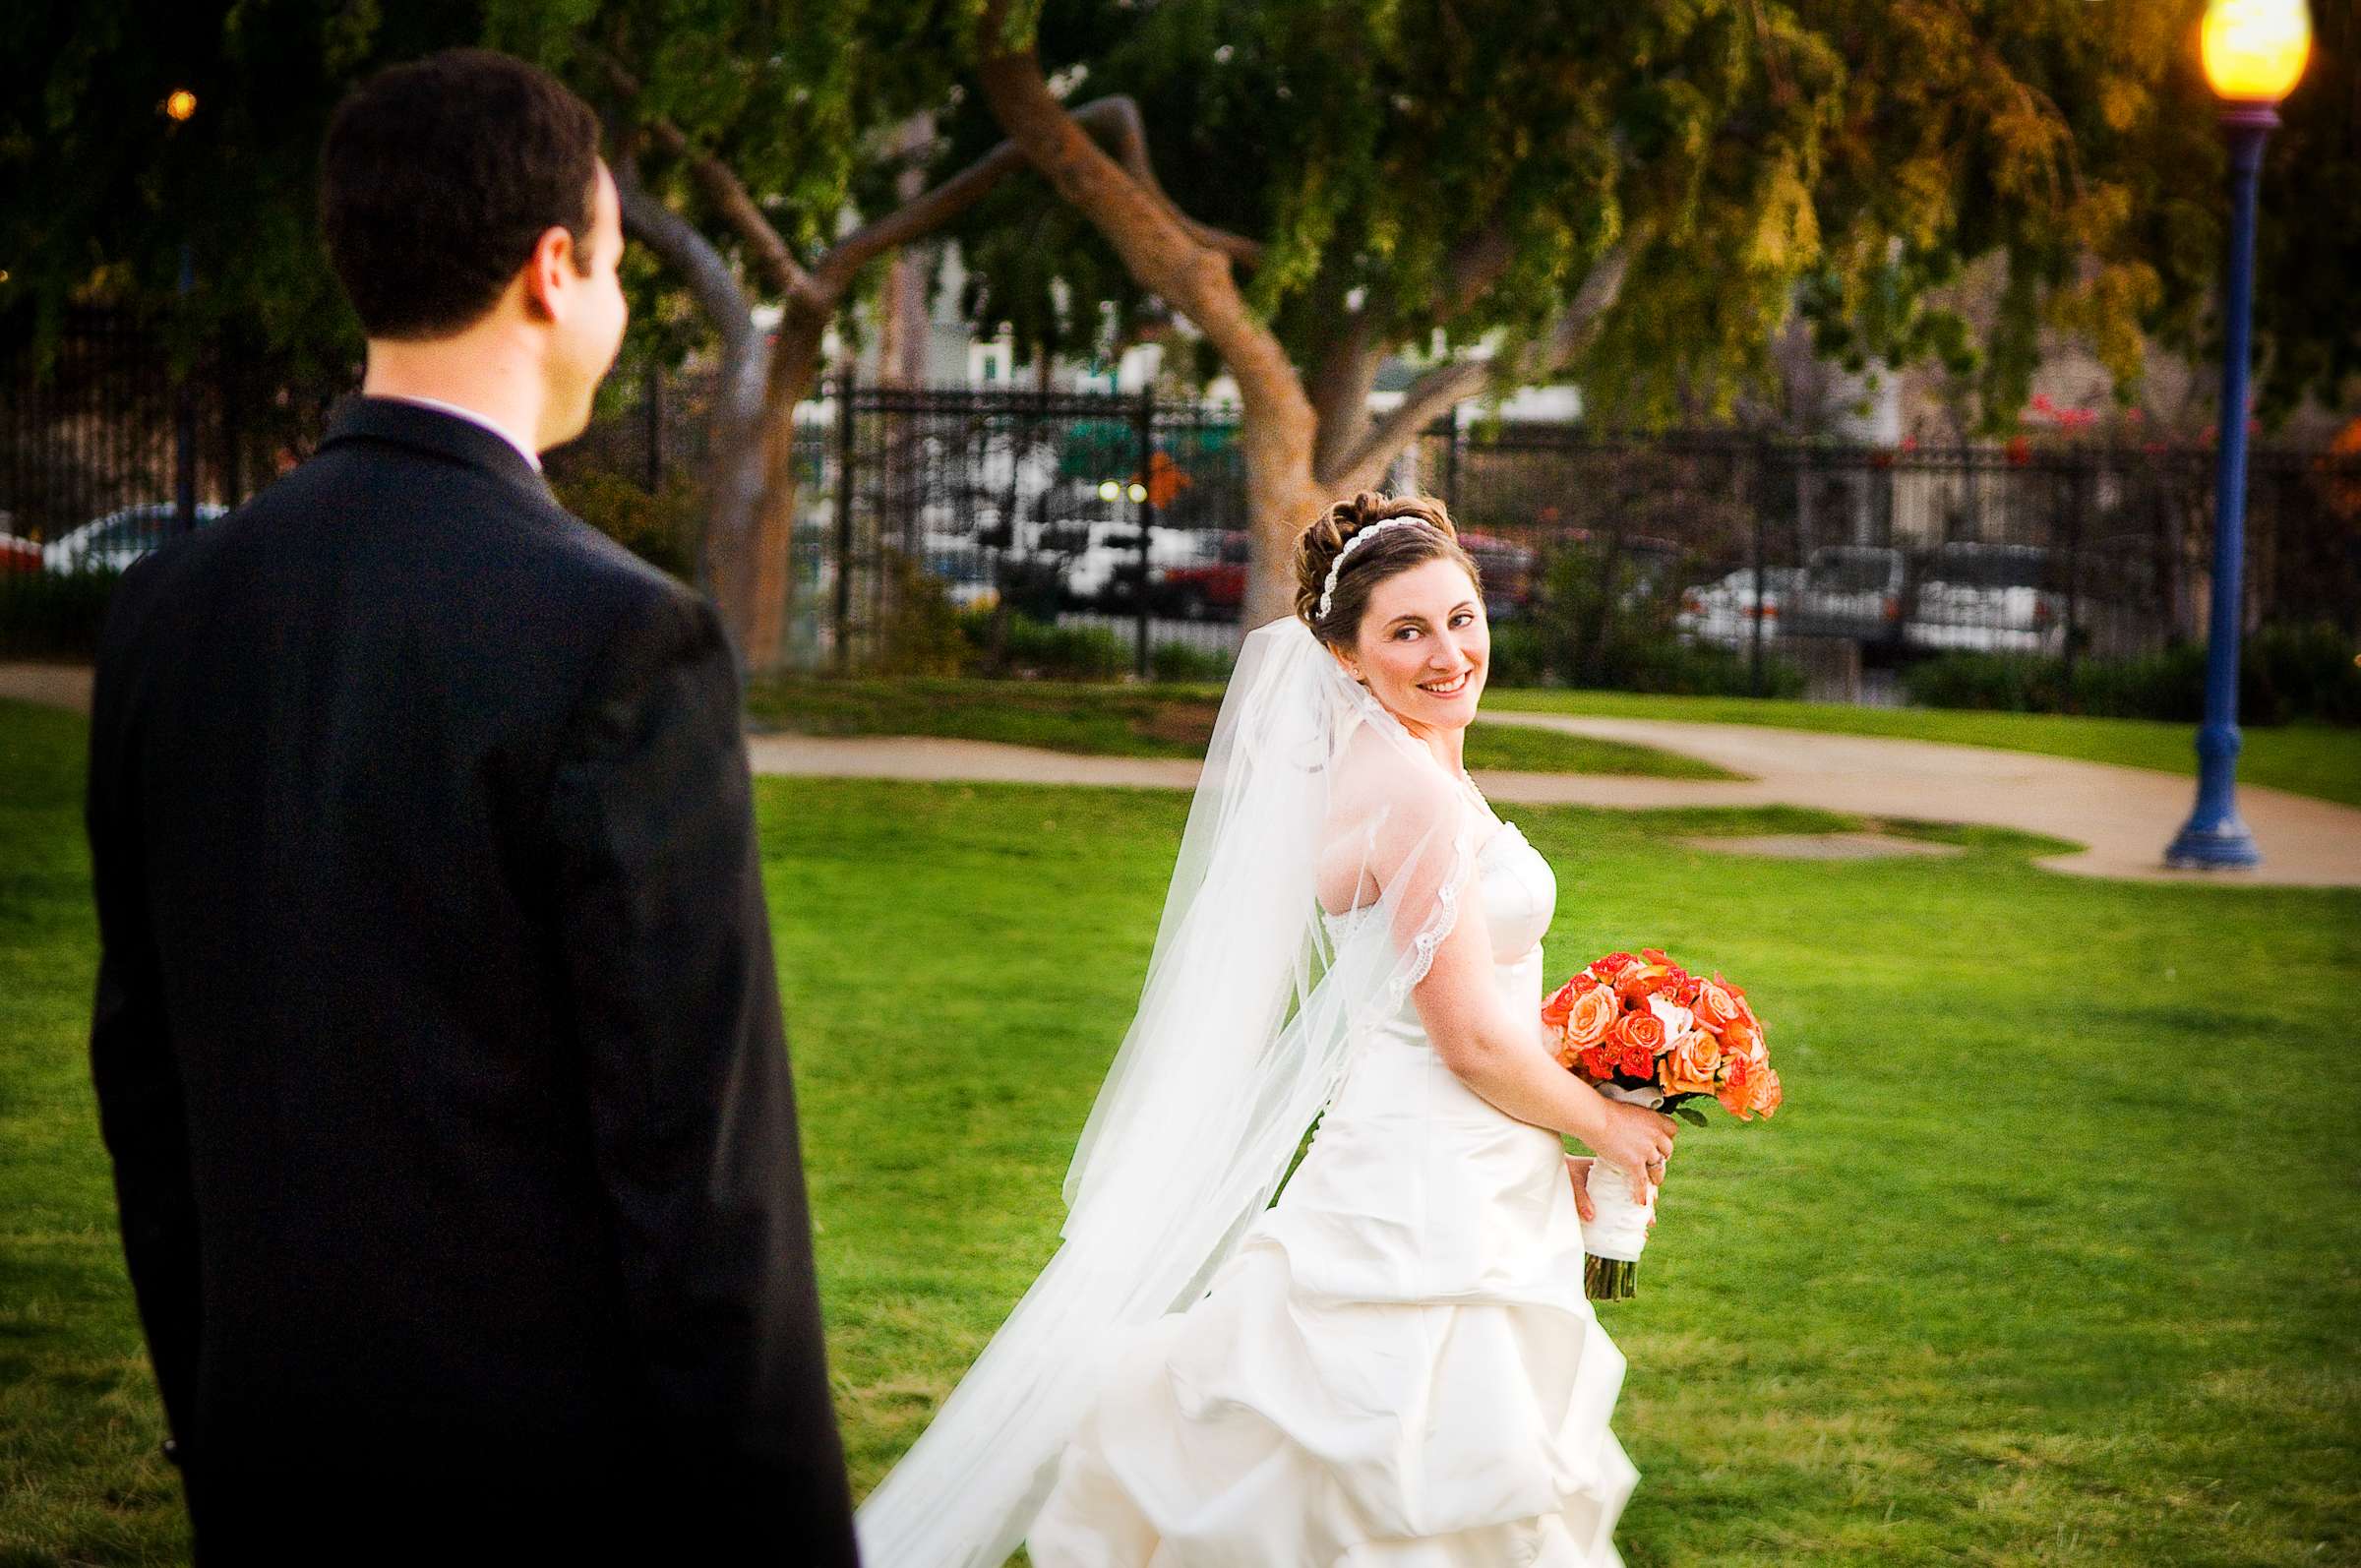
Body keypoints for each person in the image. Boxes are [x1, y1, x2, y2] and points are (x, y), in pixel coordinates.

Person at [84, 49, 857, 1564]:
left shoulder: (168, 612)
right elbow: (703, 1186)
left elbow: (148, 1097)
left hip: (271, 1473)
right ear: (552, 269)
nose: (622, 310)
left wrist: (219, 1423)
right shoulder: (623, 639)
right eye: (622, 264)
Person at [855, 492, 1677, 1567]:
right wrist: (1610, 1129)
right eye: (1407, 630)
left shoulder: (1406, 764)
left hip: (1454, 1163)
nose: (1449, 653)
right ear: (1344, 654)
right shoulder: (1416, 800)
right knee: (1417, 1462)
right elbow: (1469, 1040)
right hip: (1426, 1190)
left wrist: (1546, 1161)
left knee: (1410, 1457)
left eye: (1463, 617)